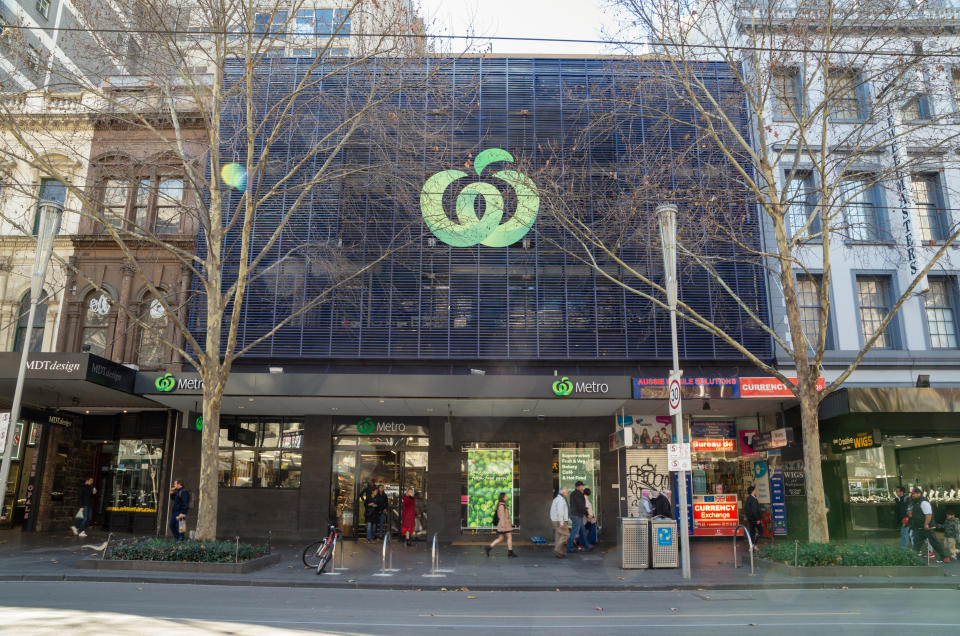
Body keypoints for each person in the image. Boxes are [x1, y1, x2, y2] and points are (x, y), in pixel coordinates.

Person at [909, 487, 950, 562]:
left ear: (919, 494)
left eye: (914, 494)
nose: (912, 495)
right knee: (917, 543)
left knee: (934, 542)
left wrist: (926, 524)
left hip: (927, 527)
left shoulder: (923, 502)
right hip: (920, 527)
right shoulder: (916, 502)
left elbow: (928, 514)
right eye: (912, 494)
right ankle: (912, 558)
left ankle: (944, 557)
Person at [485, 492, 518, 558]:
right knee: (509, 537)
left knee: (501, 538)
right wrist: (503, 526)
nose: (507, 497)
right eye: (506, 496)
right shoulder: (501, 506)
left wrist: (510, 523)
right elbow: (502, 517)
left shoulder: (503, 505)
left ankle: (488, 547)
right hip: (504, 525)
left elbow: (506, 516)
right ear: (503, 498)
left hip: (504, 525)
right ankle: (510, 552)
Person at [567, 481, 591, 552]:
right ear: (578, 487)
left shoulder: (573, 494)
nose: (583, 487)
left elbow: (578, 505)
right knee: (574, 532)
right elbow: (580, 506)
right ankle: (569, 548)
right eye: (582, 486)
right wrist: (587, 514)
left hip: (576, 515)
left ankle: (587, 546)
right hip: (577, 515)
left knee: (583, 531)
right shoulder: (578, 494)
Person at [550, 487, 570, 558]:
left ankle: (559, 553)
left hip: (555, 519)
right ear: (563, 492)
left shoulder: (556, 499)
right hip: (559, 520)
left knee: (558, 536)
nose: (567, 493)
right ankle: (557, 549)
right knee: (566, 534)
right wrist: (561, 523)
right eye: (567, 492)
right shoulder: (561, 500)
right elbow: (560, 512)